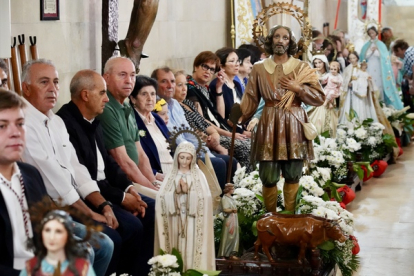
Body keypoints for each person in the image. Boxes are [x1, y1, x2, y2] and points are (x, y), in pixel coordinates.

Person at [20, 59, 116, 276]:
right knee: (89, 250)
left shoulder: (56, 122)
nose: (52, 89)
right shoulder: (23, 123)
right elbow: (53, 177)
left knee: (106, 244)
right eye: (44, 82)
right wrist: (89, 213)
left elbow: (75, 166)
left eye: (55, 82)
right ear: (26, 88)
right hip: (47, 209)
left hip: (68, 204)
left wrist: (102, 205)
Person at [0, 90, 111, 276]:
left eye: (20, 124)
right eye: (2, 126)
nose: (15, 133)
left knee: (95, 247)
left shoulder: (29, 174)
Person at [57, 69, 155, 275]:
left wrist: (129, 188)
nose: (106, 99)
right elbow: (83, 177)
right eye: (102, 93)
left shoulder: (94, 117)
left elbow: (109, 163)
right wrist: (120, 198)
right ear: (85, 95)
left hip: (106, 189)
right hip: (86, 197)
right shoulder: (65, 123)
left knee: (151, 207)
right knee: (127, 229)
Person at [239, 25, 325, 213]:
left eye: (285, 37)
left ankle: (289, 216)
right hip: (269, 122)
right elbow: (251, 98)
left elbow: (319, 97)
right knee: (268, 174)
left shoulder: (301, 67)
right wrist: (237, 115)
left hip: (293, 121)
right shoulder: (259, 69)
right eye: (276, 36)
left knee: (293, 172)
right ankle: (271, 217)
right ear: (270, 40)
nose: (280, 40)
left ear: (290, 42)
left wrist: (299, 89)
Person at [151, 66, 238, 188]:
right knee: (218, 164)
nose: (170, 86)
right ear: (154, 85)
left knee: (230, 161)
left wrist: (205, 152)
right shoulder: (156, 107)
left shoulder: (175, 104)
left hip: (192, 149)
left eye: (172, 81)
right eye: (164, 81)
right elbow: (174, 138)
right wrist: (198, 154)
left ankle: (232, 200)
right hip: (177, 155)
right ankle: (217, 204)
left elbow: (189, 133)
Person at [98, 57, 160, 199]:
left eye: (132, 75)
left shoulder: (126, 105)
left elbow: (141, 154)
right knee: (163, 203)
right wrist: (154, 192)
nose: (129, 81)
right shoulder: (106, 108)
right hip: (124, 184)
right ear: (106, 78)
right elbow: (122, 161)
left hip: (138, 178)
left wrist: (153, 183)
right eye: (122, 75)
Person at [174, 70, 252, 170]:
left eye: (185, 84)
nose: (184, 89)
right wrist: (217, 145)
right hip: (202, 141)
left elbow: (204, 121)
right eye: (180, 85)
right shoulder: (177, 108)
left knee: (249, 144)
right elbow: (191, 131)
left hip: (213, 135)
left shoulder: (187, 103)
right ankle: (241, 182)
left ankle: (249, 181)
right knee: (244, 148)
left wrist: (215, 133)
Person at [155, 142, 215, 271]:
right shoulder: (171, 175)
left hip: (192, 221)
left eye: (188, 158)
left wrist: (189, 192)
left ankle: (192, 270)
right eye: (181, 157)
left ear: (193, 159)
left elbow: (206, 198)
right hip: (174, 219)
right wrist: (175, 193)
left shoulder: (198, 175)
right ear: (177, 157)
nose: (184, 161)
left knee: (192, 247)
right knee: (174, 244)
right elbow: (161, 197)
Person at [186, 51, 249, 137]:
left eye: (212, 69)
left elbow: (220, 116)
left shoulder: (205, 88)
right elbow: (201, 121)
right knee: (247, 147)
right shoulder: (190, 88)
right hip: (209, 134)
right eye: (205, 67)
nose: (208, 71)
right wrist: (230, 134)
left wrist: (219, 88)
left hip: (222, 129)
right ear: (196, 66)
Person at [20, 210, 95, 276]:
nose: (51, 237)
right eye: (47, 230)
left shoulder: (82, 267)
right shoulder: (31, 266)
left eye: (58, 231)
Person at [129, 75, 174, 176]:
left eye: (153, 94)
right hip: (156, 175)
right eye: (144, 94)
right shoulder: (131, 122)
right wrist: (156, 175)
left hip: (174, 170)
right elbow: (134, 160)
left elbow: (172, 147)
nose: (150, 99)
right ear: (133, 99)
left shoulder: (156, 118)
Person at [360, 26, 403, 110]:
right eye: (370, 33)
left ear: (376, 33)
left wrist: (377, 50)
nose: (372, 35)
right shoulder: (366, 45)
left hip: (379, 68)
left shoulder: (381, 44)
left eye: (373, 33)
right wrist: (371, 52)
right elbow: (363, 57)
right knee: (371, 84)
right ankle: (371, 105)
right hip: (370, 68)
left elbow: (385, 57)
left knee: (379, 85)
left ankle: (381, 104)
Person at [338, 53, 379, 123]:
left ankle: (363, 120)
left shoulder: (362, 66)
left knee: (362, 106)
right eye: (350, 58)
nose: (352, 60)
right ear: (348, 60)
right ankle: (352, 121)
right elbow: (344, 81)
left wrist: (364, 81)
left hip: (362, 91)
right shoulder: (347, 69)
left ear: (357, 58)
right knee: (352, 106)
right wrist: (348, 84)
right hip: (351, 92)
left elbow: (366, 76)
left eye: (354, 58)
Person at [308, 61, 343, 137]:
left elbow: (340, 85)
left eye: (320, 62)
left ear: (324, 63)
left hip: (330, 99)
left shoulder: (332, 74)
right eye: (316, 63)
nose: (318, 65)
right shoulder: (316, 74)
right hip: (317, 101)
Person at [210, 47, 244, 121]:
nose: (237, 64)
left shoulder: (237, 84)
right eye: (232, 61)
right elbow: (220, 117)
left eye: (238, 61)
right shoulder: (216, 85)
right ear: (222, 66)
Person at [217, 183, 239, 260]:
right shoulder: (224, 198)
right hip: (229, 218)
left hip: (234, 218)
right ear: (228, 189)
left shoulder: (231, 198)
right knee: (227, 235)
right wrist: (232, 210)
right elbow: (225, 209)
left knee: (234, 235)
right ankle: (223, 253)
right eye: (232, 189)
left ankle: (232, 253)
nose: (233, 190)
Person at [393, 39, 414, 112]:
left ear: (399, 49)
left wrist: (413, 86)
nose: (397, 56)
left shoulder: (408, 53)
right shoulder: (410, 51)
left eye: (396, 53)